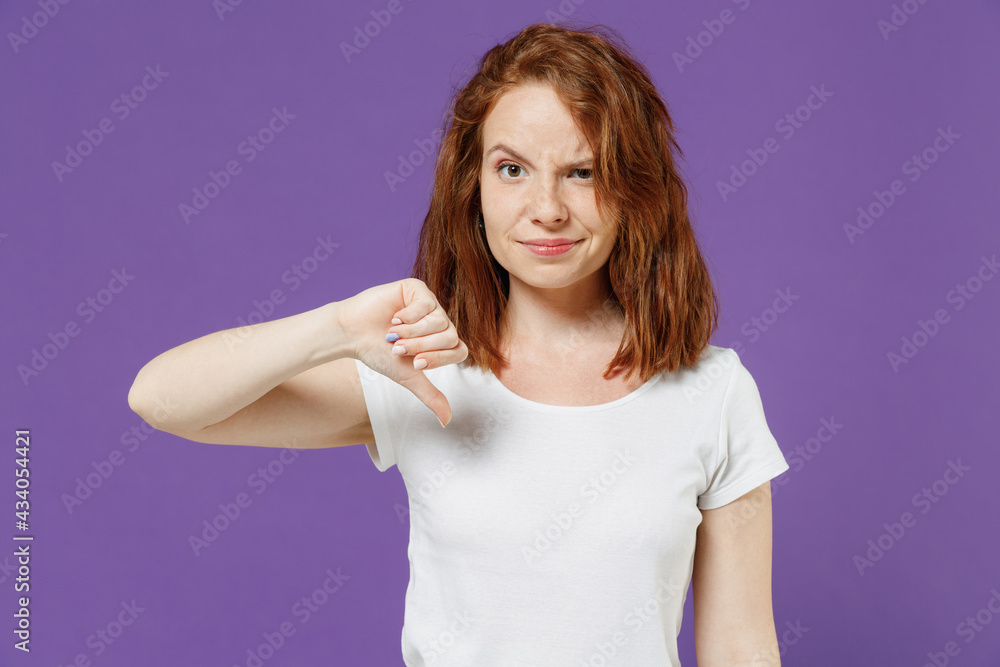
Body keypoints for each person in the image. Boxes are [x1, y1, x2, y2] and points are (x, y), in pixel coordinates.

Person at [128, 22, 790, 666]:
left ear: (634, 188)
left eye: (582, 171)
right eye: (512, 169)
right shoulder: (422, 369)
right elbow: (162, 400)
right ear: (473, 187)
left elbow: (742, 650)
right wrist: (337, 329)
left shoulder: (714, 393)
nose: (547, 208)